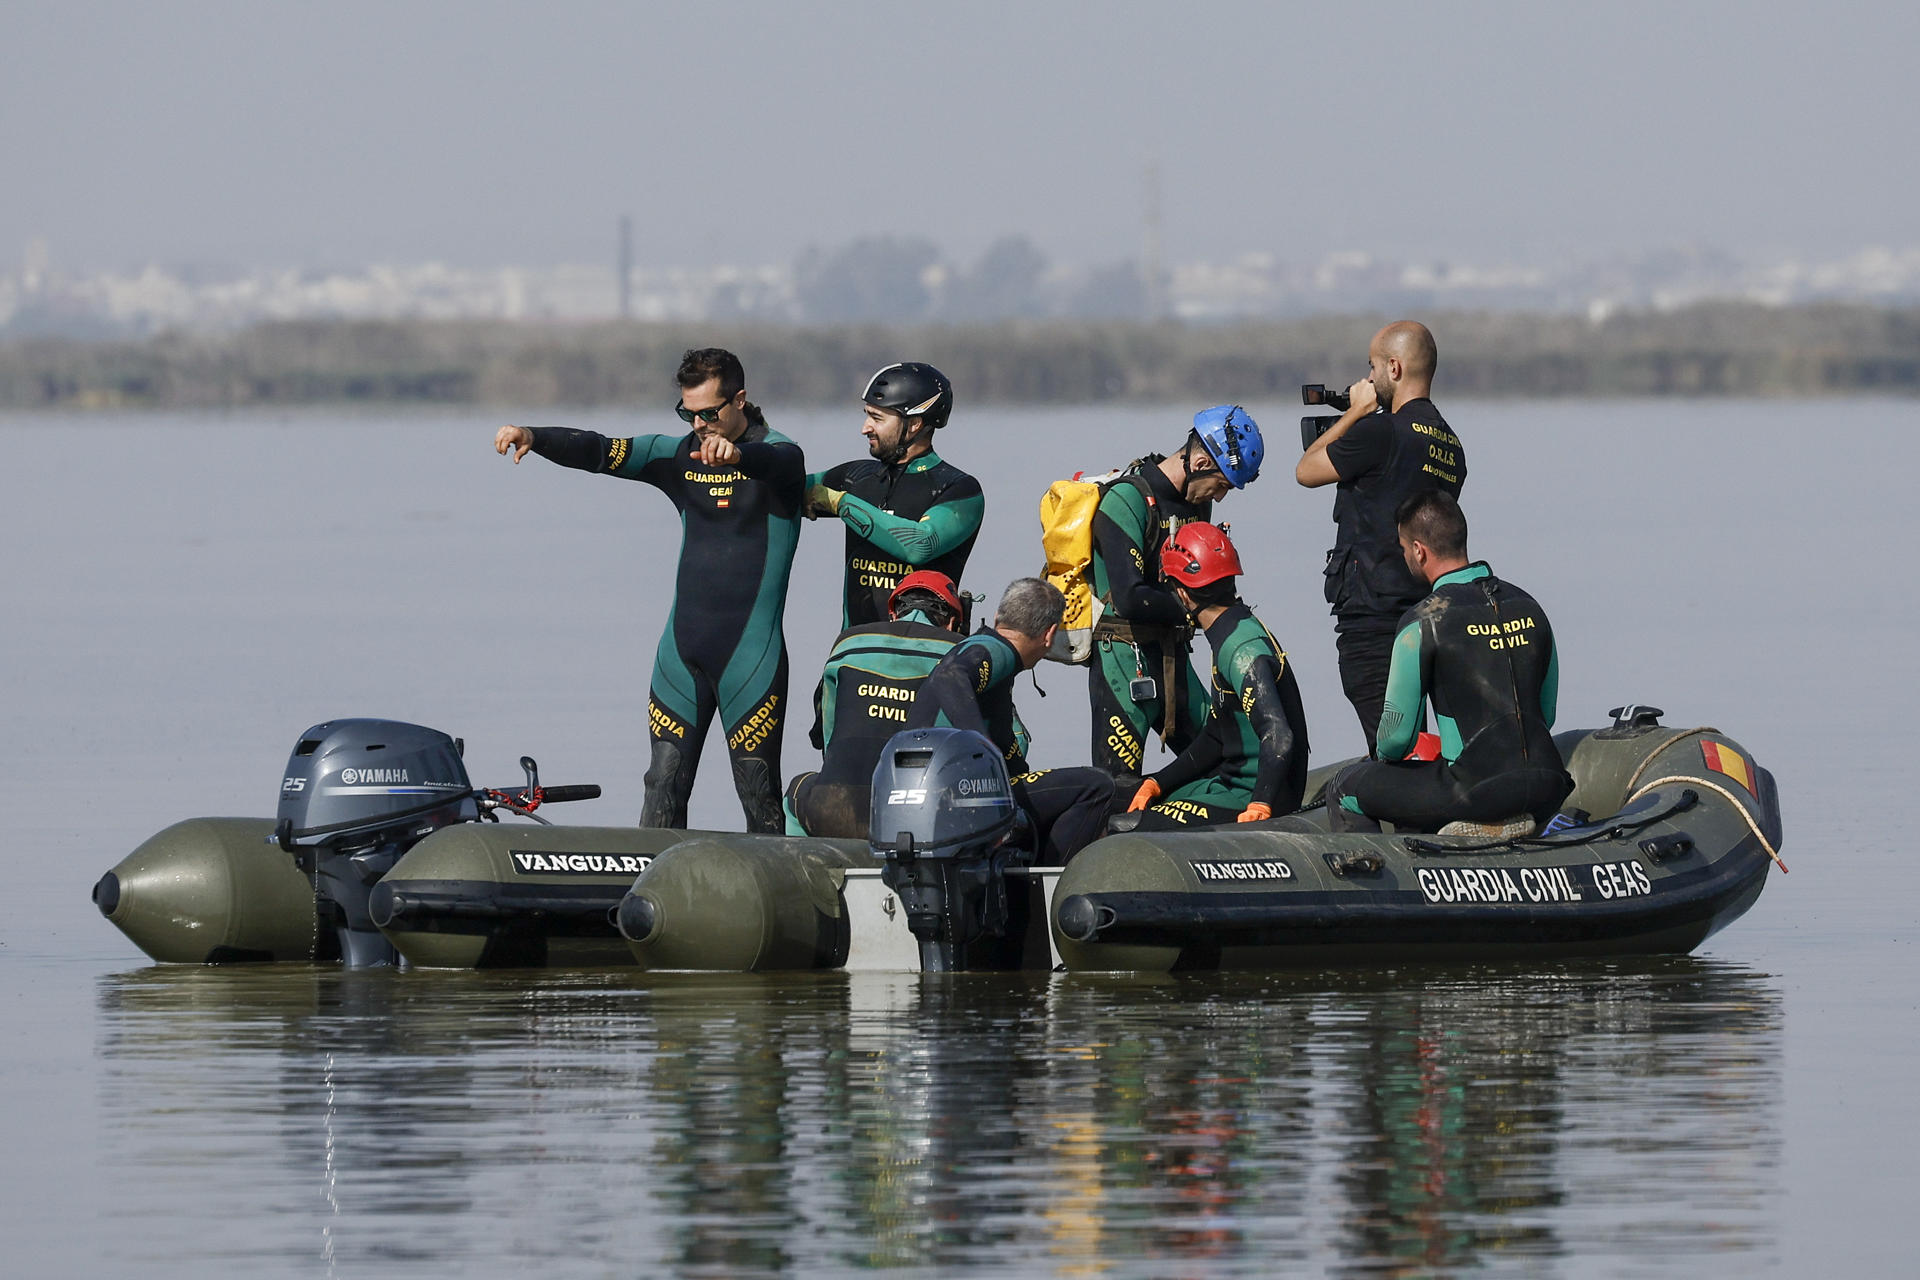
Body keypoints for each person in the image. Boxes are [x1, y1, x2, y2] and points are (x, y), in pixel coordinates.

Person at [493, 347, 805, 832]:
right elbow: (600, 450)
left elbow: (783, 464)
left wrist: (740, 454)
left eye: (709, 414)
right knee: (662, 783)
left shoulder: (780, 457)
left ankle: (779, 900)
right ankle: (645, 901)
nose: (699, 425)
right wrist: (534, 436)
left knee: (758, 795)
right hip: (680, 656)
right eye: (689, 413)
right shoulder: (677, 455)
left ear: (740, 400)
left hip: (751, 661)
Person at [1326, 491, 1571, 837]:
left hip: (1476, 792)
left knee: (1345, 788)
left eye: (1402, 548)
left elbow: (1396, 738)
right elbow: (1546, 713)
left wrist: (1382, 757)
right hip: (1547, 783)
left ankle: (1383, 887)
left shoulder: (1422, 620)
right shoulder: (1531, 606)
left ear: (1418, 550)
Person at [1295, 320, 1466, 753]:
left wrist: (1355, 412)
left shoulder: (1380, 430)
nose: (1367, 379)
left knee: (1391, 746)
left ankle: (1400, 811)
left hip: (1372, 618)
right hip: (1428, 613)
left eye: (1371, 368)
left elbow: (1306, 470)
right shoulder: (1450, 445)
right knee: (1423, 736)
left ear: (1394, 368)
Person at [1087, 405, 1265, 780]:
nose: (1220, 498)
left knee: (1223, 758)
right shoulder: (1126, 500)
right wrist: (1204, 611)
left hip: (1172, 654)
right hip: (1123, 657)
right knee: (1117, 784)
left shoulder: (1197, 502)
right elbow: (1130, 597)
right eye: (1222, 485)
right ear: (1200, 462)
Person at [909, 578, 1115, 865]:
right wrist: (984, 754)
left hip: (929, 797)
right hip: (954, 797)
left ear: (998, 617)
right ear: (1049, 634)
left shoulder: (990, 661)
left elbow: (1013, 761)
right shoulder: (998, 650)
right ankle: (1045, 897)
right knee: (1097, 786)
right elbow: (950, 677)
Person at [1123, 523, 1309, 828]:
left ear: (1181, 593)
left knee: (1129, 827)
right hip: (1230, 783)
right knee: (1126, 799)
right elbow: (1216, 736)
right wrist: (1157, 782)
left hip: (1250, 796)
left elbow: (1278, 735)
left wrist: (1260, 805)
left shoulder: (1240, 649)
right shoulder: (1231, 630)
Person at [785, 570, 967, 838]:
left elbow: (828, 735)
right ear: (952, 623)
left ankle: (804, 873)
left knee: (795, 792)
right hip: (918, 819)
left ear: (893, 613)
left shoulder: (848, 643)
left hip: (834, 807)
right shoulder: (963, 653)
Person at [805, 363, 985, 628]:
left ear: (914, 424)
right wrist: (752, 442)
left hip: (926, 659)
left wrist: (839, 503)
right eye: (867, 415)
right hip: (854, 653)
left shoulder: (959, 489)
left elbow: (920, 546)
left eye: (877, 418)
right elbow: (782, 486)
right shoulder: (855, 477)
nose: (865, 428)